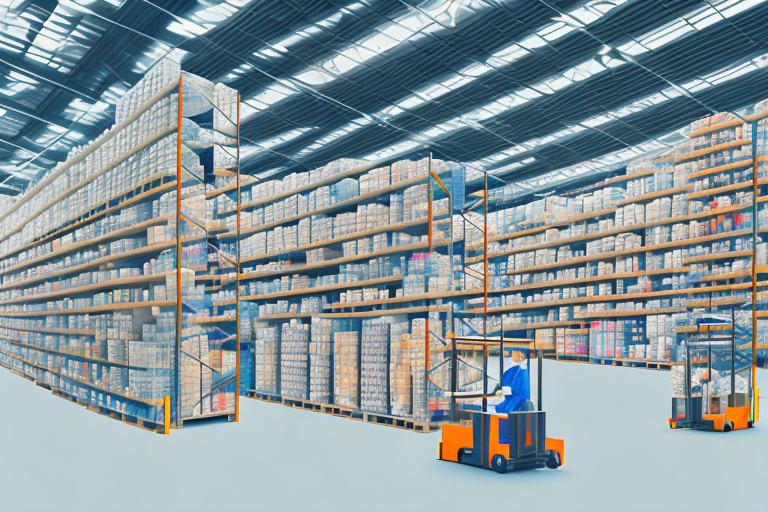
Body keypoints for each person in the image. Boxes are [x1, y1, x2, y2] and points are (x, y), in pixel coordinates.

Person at [492, 348, 531, 414]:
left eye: (513, 351)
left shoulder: (522, 369)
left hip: (518, 406)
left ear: (520, 353)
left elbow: (519, 393)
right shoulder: (517, 369)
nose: (512, 354)